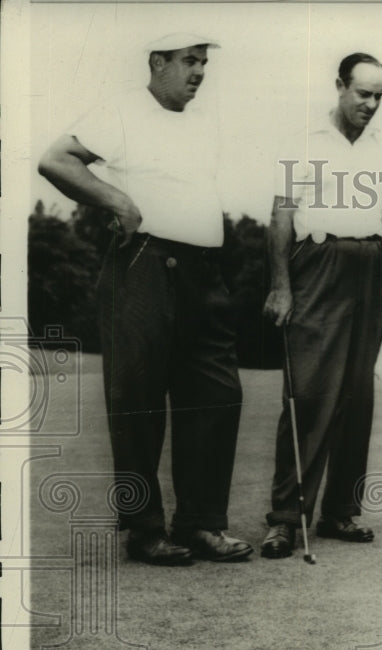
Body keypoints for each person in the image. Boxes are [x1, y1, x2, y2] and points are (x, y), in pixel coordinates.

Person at [37, 34, 252, 566]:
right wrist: (117, 200)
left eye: (203, 62)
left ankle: (202, 523)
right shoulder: (121, 110)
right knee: (137, 400)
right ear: (157, 62)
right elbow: (56, 160)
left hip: (205, 274)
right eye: (188, 61)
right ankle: (145, 530)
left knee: (217, 396)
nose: (199, 71)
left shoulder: (203, 120)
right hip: (144, 267)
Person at [260, 52, 382, 558]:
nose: (371, 104)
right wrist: (280, 286)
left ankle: (340, 512)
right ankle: (285, 517)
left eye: (379, 96)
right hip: (317, 265)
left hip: (369, 268)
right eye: (363, 93)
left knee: (356, 397)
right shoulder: (304, 142)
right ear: (339, 86)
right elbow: (281, 216)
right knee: (309, 393)